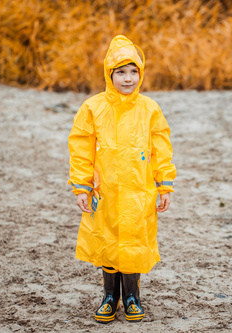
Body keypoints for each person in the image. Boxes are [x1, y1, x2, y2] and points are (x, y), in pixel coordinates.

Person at [68, 35, 176, 324]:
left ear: (140, 74)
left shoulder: (150, 109)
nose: (127, 78)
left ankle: (132, 297)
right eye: (120, 72)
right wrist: (81, 185)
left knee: (133, 244)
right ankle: (109, 296)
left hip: (139, 191)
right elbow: (81, 149)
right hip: (106, 191)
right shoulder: (93, 108)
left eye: (133, 72)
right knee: (107, 241)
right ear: (109, 73)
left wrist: (164, 183)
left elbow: (161, 150)